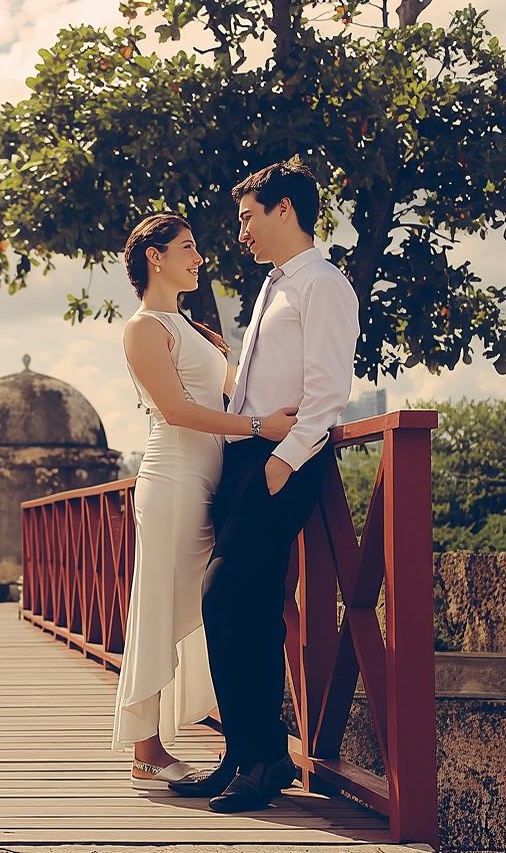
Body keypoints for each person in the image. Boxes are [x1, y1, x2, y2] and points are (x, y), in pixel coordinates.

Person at [169, 159, 360, 812]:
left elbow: (329, 391)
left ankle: (264, 754)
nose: (241, 233)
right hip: (248, 458)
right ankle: (246, 754)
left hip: (282, 461)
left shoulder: (323, 285)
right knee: (240, 609)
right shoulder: (275, 286)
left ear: (285, 210)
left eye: (248, 217)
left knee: (224, 598)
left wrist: (283, 462)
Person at [114, 212, 297, 790]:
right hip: (171, 477)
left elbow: (233, 386)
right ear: (155, 257)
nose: (198, 258)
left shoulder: (187, 326)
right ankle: (146, 746)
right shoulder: (145, 327)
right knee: (160, 601)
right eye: (187, 248)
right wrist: (257, 428)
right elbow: (175, 411)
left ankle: (231, 738)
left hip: (210, 478)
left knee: (207, 602)